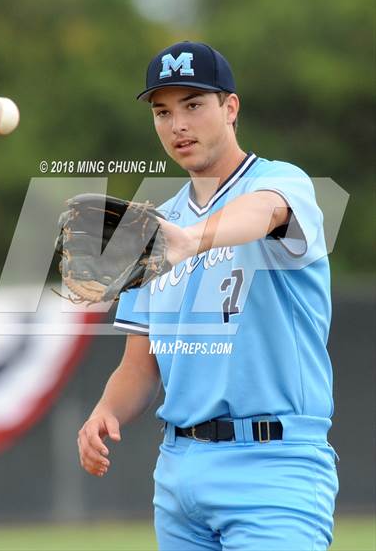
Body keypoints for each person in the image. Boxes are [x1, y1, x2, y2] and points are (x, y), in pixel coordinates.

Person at [77, 41, 339, 550]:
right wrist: (104, 411)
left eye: (193, 104)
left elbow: (264, 213)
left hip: (274, 466)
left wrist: (189, 239)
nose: (178, 124)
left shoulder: (280, 183)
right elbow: (140, 365)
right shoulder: (152, 227)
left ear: (231, 108)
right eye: (163, 111)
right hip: (179, 477)